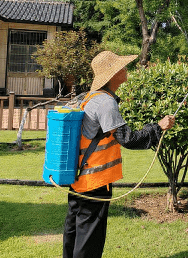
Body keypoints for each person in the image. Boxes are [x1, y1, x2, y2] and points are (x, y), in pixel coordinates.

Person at [63, 51, 175, 258]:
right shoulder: (106, 102)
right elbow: (128, 139)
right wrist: (158, 127)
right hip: (95, 182)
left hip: (79, 179)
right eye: (122, 67)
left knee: (75, 231)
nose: (126, 70)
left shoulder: (90, 98)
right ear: (113, 74)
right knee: (89, 240)